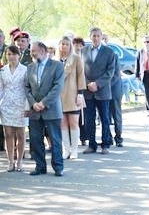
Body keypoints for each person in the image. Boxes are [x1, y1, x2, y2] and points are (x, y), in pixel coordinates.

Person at [25, 41, 64, 176]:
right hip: (34, 110)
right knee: (36, 140)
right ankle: (40, 166)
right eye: (31, 52)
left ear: (42, 51)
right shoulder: (30, 67)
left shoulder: (57, 66)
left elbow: (57, 87)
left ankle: (58, 167)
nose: (31, 54)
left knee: (55, 139)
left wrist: (44, 103)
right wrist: (33, 103)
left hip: (51, 109)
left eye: (33, 51)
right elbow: (26, 87)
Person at [82, 26, 115, 154]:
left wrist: (98, 84)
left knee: (105, 119)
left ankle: (105, 144)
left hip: (103, 91)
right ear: (90, 37)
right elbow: (80, 70)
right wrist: (87, 83)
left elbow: (110, 71)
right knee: (89, 119)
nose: (95, 38)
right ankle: (91, 144)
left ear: (102, 37)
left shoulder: (109, 52)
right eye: (93, 36)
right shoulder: (83, 51)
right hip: (88, 91)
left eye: (98, 36)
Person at [0, 45, 28, 171]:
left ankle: (20, 161)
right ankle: (10, 161)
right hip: (6, 105)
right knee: (8, 134)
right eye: (8, 54)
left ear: (19, 55)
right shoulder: (2, 71)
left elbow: (28, 89)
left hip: (21, 104)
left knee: (21, 135)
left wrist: (28, 105)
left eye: (13, 54)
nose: (11, 57)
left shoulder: (25, 70)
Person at [57, 35, 85, 160]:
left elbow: (81, 76)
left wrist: (80, 93)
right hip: (58, 96)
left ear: (70, 46)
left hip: (73, 94)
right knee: (62, 123)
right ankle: (66, 149)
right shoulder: (55, 60)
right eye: (62, 44)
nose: (64, 46)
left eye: (67, 44)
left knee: (73, 123)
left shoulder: (76, 58)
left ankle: (74, 150)